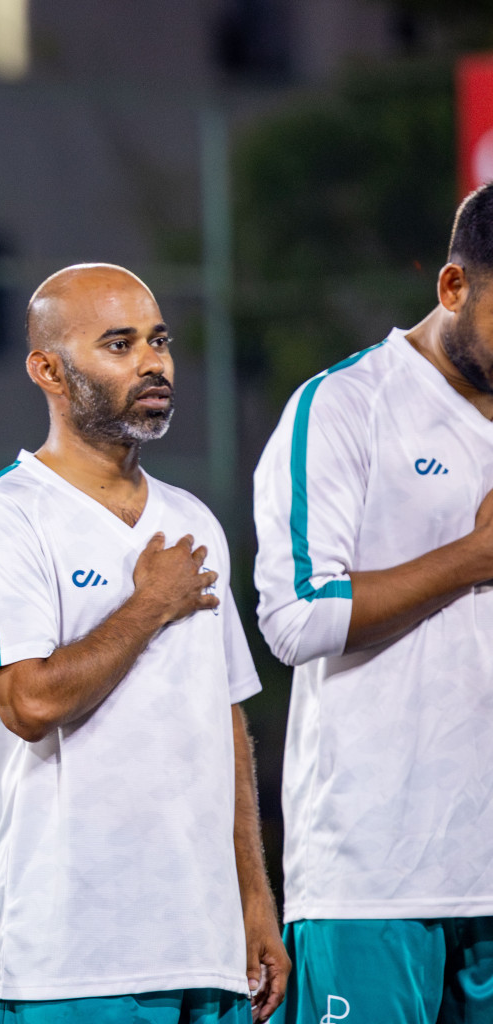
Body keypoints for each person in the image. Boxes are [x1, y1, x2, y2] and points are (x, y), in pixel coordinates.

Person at [0, 264, 289, 1023]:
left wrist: (256, 898)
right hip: (72, 963)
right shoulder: (1, 517)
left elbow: (225, 721)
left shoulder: (193, 520)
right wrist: (147, 604)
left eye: (158, 341)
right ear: (49, 370)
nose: (154, 362)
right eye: (120, 344)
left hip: (208, 951)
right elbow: (29, 701)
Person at [252, 186, 493, 1024]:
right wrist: (470, 558)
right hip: (376, 876)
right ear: (454, 286)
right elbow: (294, 617)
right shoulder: (345, 406)